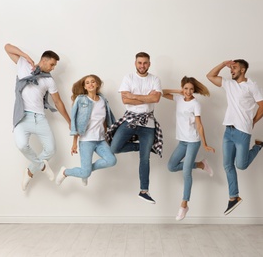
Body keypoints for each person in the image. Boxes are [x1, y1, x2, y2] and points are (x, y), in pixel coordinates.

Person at [206, 59, 263, 215]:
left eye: (234, 68)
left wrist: (252, 121)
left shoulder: (252, 86)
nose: (231, 70)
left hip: (242, 131)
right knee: (227, 165)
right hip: (228, 130)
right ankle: (234, 197)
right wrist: (222, 64)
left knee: (241, 165)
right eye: (231, 68)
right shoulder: (229, 84)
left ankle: (258, 146)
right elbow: (210, 76)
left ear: (243, 70)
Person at [5, 43, 71, 191]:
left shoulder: (49, 80)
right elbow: (7, 46)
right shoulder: (24, 66)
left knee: (51, 150)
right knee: (21, 145)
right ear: (44, 60)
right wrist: (26, 56)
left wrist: (69, 122)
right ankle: (42, 166)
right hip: (22, 117)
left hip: (40, 118)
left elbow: (58, 102)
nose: (53, 68)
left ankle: (30, 171)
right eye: (52, 64)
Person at [107, 52, 163, 204]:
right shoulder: (129, 78)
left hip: (148, 123)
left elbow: (156, 98)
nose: (142, 66)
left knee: (145, 159)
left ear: (149, 64)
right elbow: (125, 99)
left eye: (145, 63)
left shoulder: (155, 79)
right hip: (130, 119)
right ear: (135, 63)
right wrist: (146, 97)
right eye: (139, 63)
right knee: (114, 148)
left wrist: (134, 96)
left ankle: (144, 191)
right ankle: (143, 147)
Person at [162, 76, 215, 221]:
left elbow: (199, 125)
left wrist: (204, 143)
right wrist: (178, 91)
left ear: (194, 90)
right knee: (171, 166)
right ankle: (200, 164)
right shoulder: (179, 98)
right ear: (182, 88)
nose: (188, 91)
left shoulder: (196, 104)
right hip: (182, 141)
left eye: (191, 89)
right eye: (186, 88)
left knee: (186, 172)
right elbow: (161, 92)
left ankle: (184, 205)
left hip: (193, 141)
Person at [56, 75, 117, 186]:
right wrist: (74, 142)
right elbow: (75, 121)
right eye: (87, 83)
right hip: (86, 140)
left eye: (93, 82)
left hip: (101, 140)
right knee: (85, 172)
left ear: (97, 84)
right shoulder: (80, 100)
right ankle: (65, 172)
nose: (90, 84)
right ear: (84, 86)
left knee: (111, 160)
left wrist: (108, 136)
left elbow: (105, 120)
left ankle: (85, 172)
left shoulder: (103, 100)